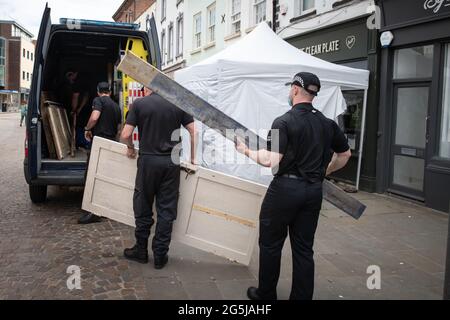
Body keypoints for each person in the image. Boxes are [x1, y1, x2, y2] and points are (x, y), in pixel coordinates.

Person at [235, 72, 351, 300]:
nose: (290, 92)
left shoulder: (284, 121)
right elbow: (345, 154)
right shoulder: (327, 124)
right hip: (313, 192)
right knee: (304, 249)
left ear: (296, 90)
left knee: (270, 244)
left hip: (285, 191)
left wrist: (246, 151)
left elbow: (271, 160)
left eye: (291, 88)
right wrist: (324, 171)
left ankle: (266, 295)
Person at [120, 87, 197, 269]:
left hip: (147, 161)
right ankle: (160, 255)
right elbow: (194, 131)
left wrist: (130, 147)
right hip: (171, 163)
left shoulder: (139, 104)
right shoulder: (179, 102)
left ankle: (141, 251)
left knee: (143, 204)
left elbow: (125, 135)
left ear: (147, 87)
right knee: (167, 209)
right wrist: (193, 159)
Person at [78, 82, 122, 225]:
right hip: (110, 143)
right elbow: (119, 129)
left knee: (91, 176)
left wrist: (87, 128)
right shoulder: (117, 107)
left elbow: (95, 117)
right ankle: (104, 210)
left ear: (98, 92)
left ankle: (93, 212)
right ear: (109, 91)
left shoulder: (98, 101)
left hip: (99, 143)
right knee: (104, 177)